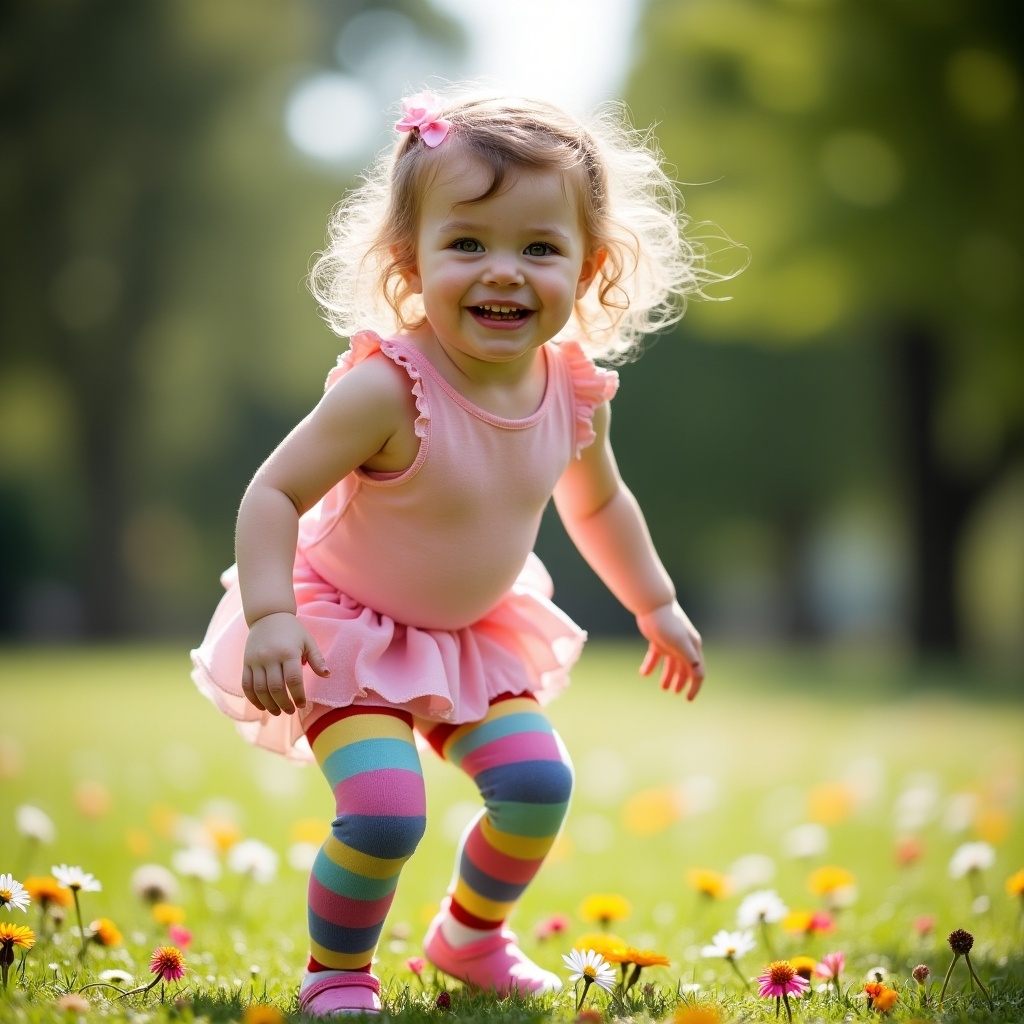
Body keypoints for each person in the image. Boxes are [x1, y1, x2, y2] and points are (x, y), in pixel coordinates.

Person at [191, 87, 724, 1016]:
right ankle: (339, 975)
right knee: (388, 809)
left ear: (590, 267)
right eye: (468, 244)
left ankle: (470, 939)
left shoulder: (573, 392)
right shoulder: (387, 388)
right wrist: (273, 615)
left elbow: (599, 504)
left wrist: (656, 602)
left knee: (535, 782)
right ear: (411, 261)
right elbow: (273, 492)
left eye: (540, 248)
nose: (504, 273)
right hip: (339, 629)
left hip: (466, 632)